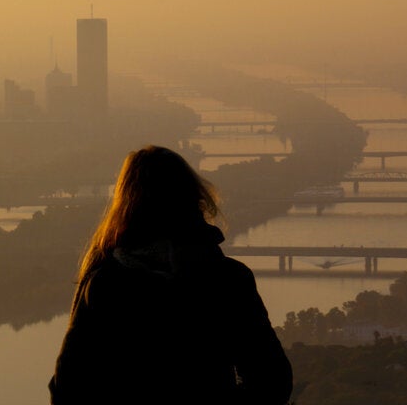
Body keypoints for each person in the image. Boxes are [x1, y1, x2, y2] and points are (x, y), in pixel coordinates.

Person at [48, 145, 293, 404]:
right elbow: (273, 380)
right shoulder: (229, 279)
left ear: (127, 207)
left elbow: (68, 388)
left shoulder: (106, 283)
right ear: (195, 201)